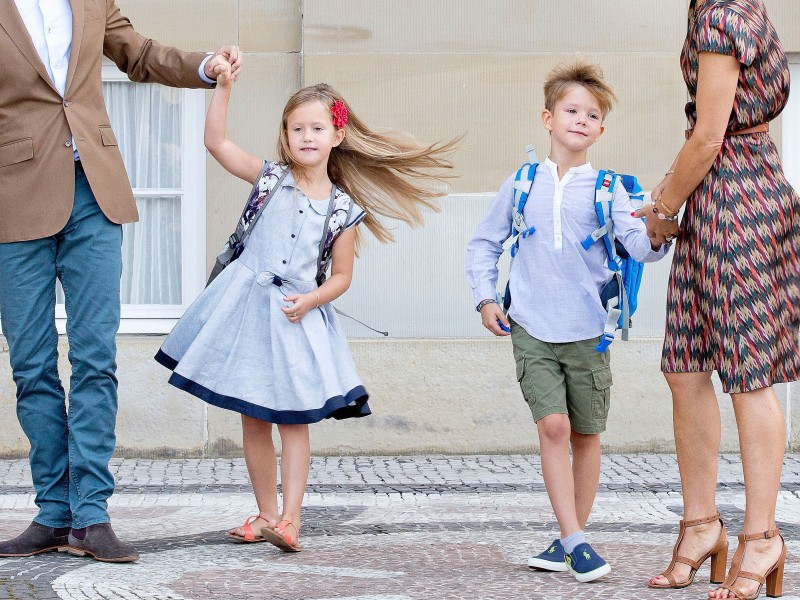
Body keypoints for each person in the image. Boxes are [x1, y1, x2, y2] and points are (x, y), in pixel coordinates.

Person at [155, 63, 458, 552]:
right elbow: (216, 143)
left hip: (295, 317)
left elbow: (341, 277)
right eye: (298, 129)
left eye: (317, 128)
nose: (307, 136)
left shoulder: (343, 209)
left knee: (293, 419)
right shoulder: (269, 179)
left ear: (337, 134)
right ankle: (265, 514)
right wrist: (223, 88)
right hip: (246, 313)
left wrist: (311, 299)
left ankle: (291, 520)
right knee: (252, 417)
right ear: (286, 135)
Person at [0, 0, 242, 563]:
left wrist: (206, 66)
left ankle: (90, 514)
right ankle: (52, 513)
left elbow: (141, 54)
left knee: (94, 359)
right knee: (32, 365)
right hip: (15, 201)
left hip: (96, 196)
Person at [467, 61, 669, 583]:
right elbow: (484, 243)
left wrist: (662, 228)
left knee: (585, 434)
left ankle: (566, 536)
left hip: (589, 331)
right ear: (548, 118)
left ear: (601, 128)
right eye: (571, 110)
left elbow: (639, 248)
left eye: (592, 114)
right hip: (531, 325)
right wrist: (485, 298)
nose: (581, 120)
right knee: (552, 426)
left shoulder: (608, 188)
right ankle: (578, 540)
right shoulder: (523, 182)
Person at [641, 1, 799, 598]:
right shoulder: (727, 10)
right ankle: (702, 523)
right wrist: (674, 193)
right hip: (724, 194)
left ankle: (762, 537)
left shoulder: (724, 17)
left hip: (738, 201)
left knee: (748, 376)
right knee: (684, 368)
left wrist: (661, 209)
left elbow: (710, 135)